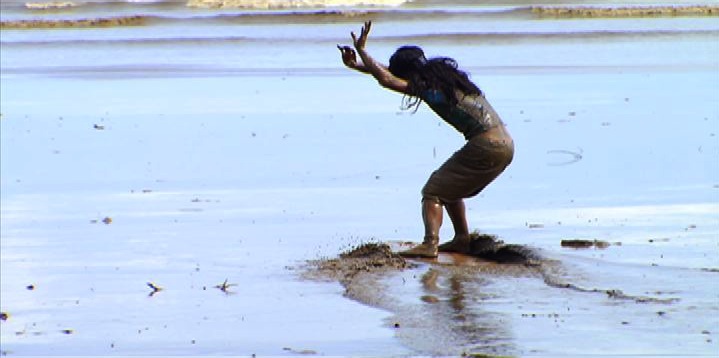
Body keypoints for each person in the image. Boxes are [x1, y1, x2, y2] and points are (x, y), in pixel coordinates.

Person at [337, 21, 514, 258]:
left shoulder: (428, 89)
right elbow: (390, 74)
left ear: (408, 73)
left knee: (433, 191)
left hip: (485, 145)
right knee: (450, 187)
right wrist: (358, 65)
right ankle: (462, 239)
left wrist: (363, 51)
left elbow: (388, 79)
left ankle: (429, 244)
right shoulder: (447, 78)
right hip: (505, 144)